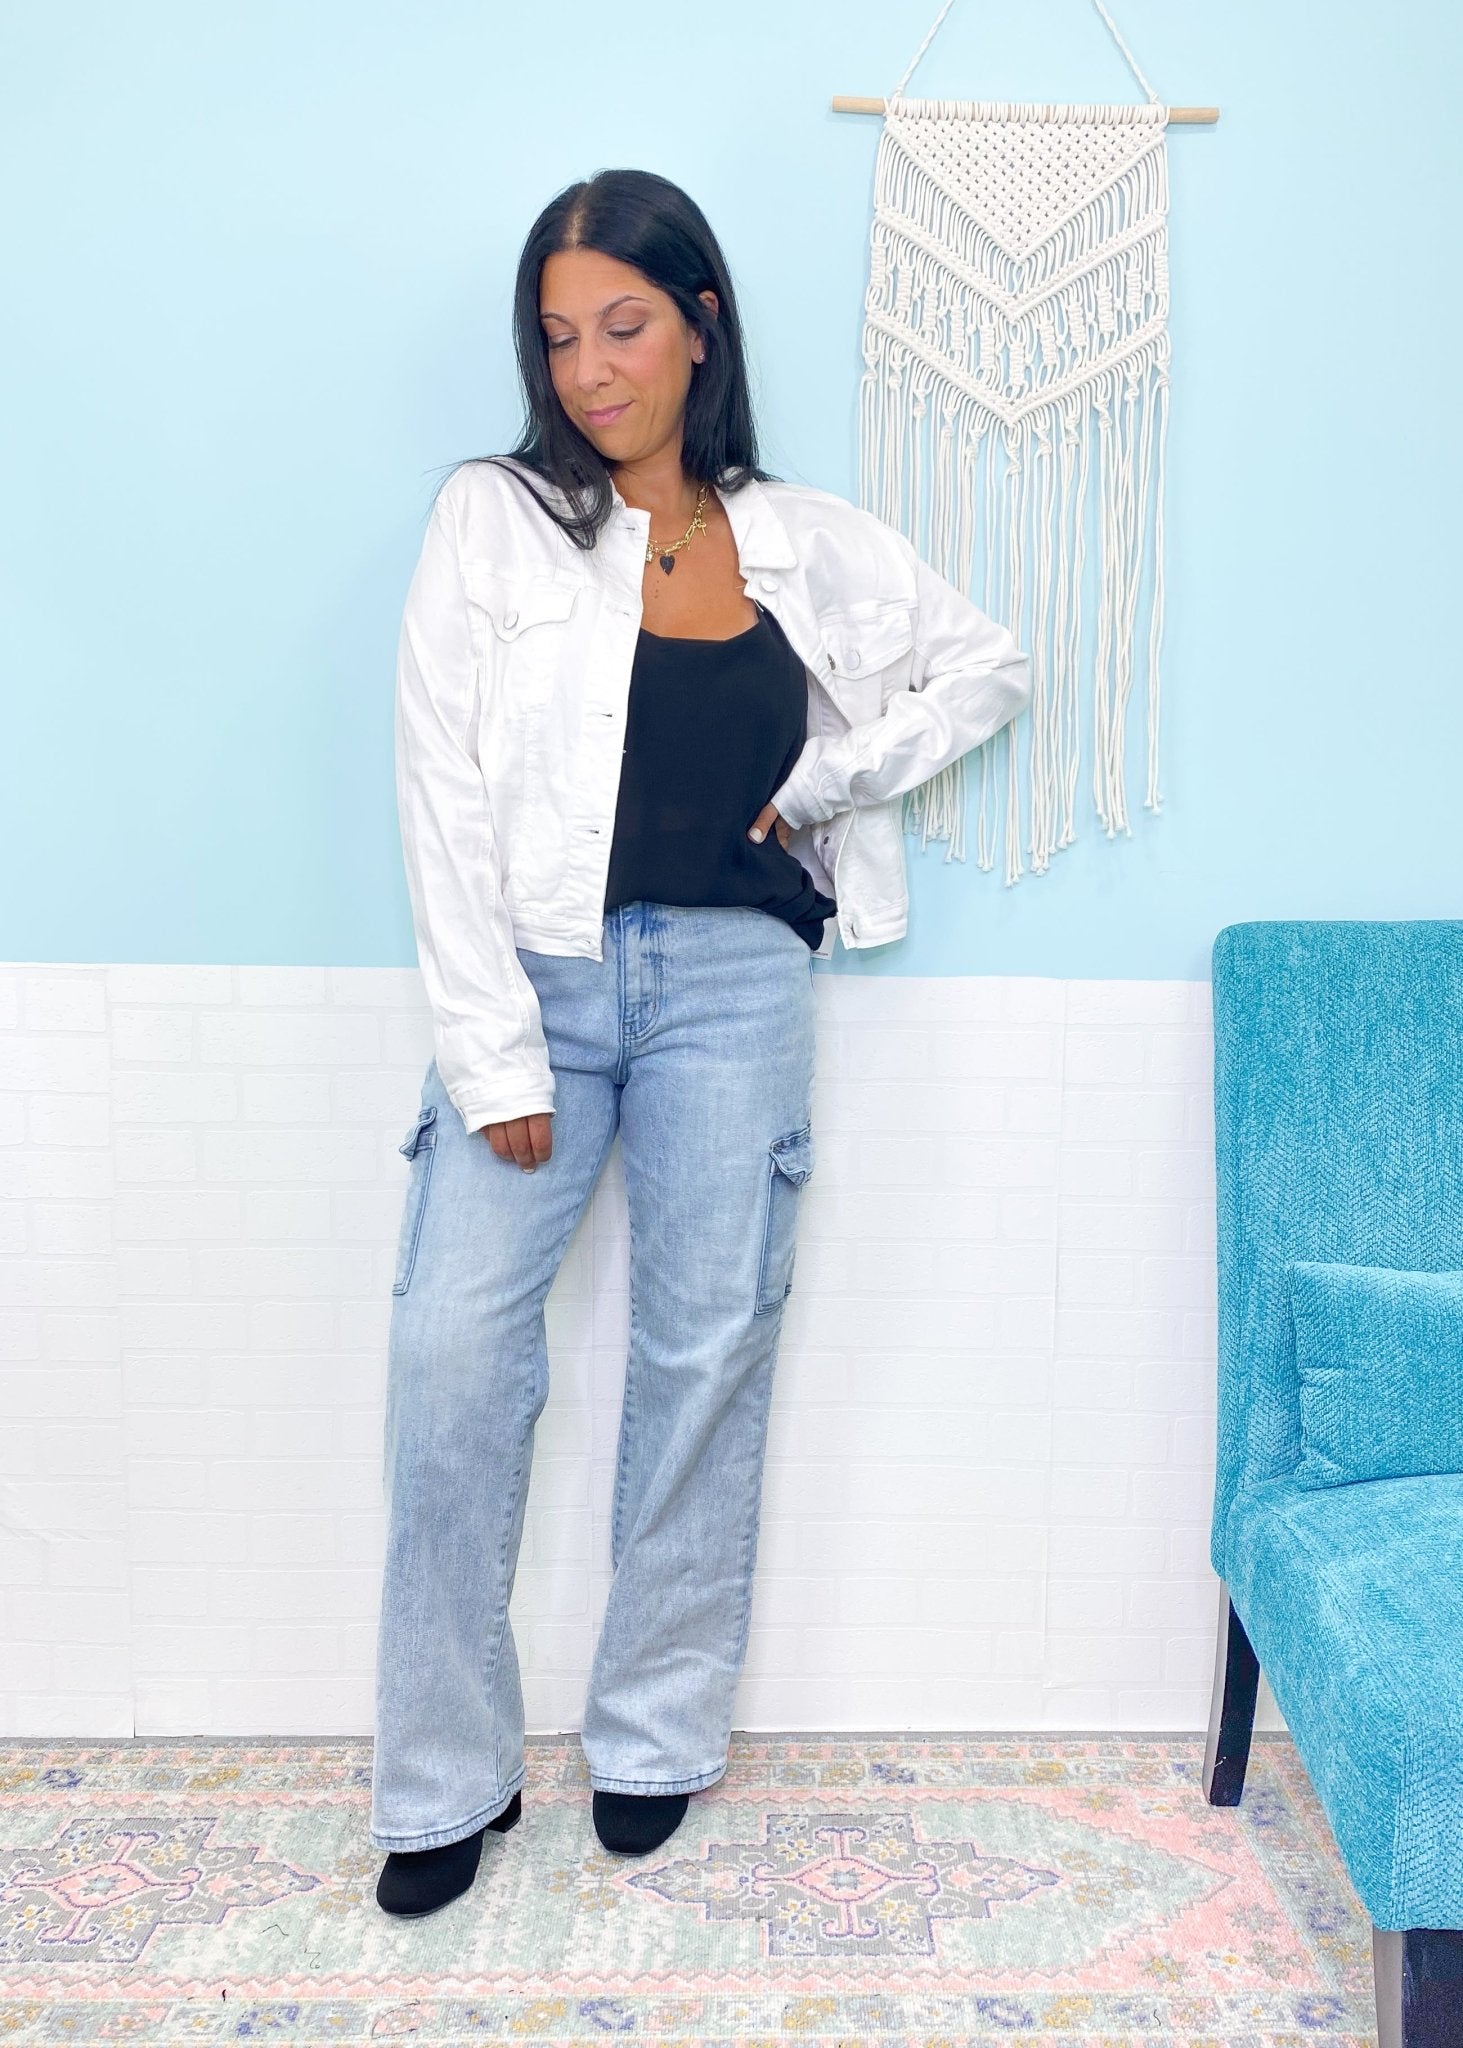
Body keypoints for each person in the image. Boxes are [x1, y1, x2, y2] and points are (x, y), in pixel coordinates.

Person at [370, 166, 1031, 1917]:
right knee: (451, 1358)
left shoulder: (804, 537)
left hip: (738, 984)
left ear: (700, 327)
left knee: (704, 1351)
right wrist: (493, 1055)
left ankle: (652, 1739)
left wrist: (820, 784)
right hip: (539, 981)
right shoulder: (492, 519)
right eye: (559, 336)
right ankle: (441, 1778)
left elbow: (987, 667)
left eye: (625, 327)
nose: (590, 370)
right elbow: (438, 784)